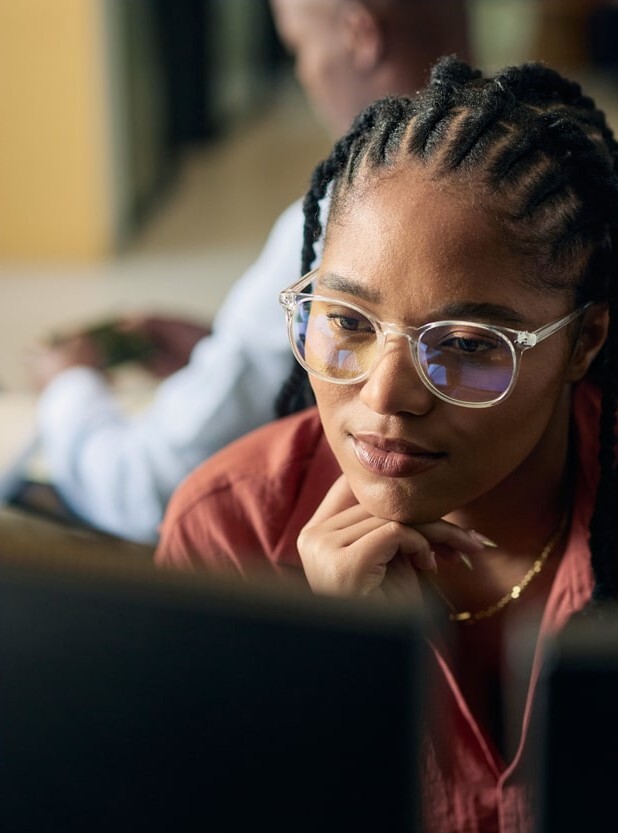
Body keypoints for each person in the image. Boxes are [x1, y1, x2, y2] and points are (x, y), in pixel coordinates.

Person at [156, 57, 618, 833]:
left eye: (465, 343)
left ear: (584, 342)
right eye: (347, 322)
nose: (385, 397)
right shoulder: (229, 535)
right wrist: (339, 666)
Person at [22, 0, 470, 544]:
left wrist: (67, 386)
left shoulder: (344, 220)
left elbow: (148, 487)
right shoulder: (536, 183)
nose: (306, 74)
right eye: (347, 324)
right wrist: (229, 351)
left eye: (299, 46)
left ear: (359, 34)